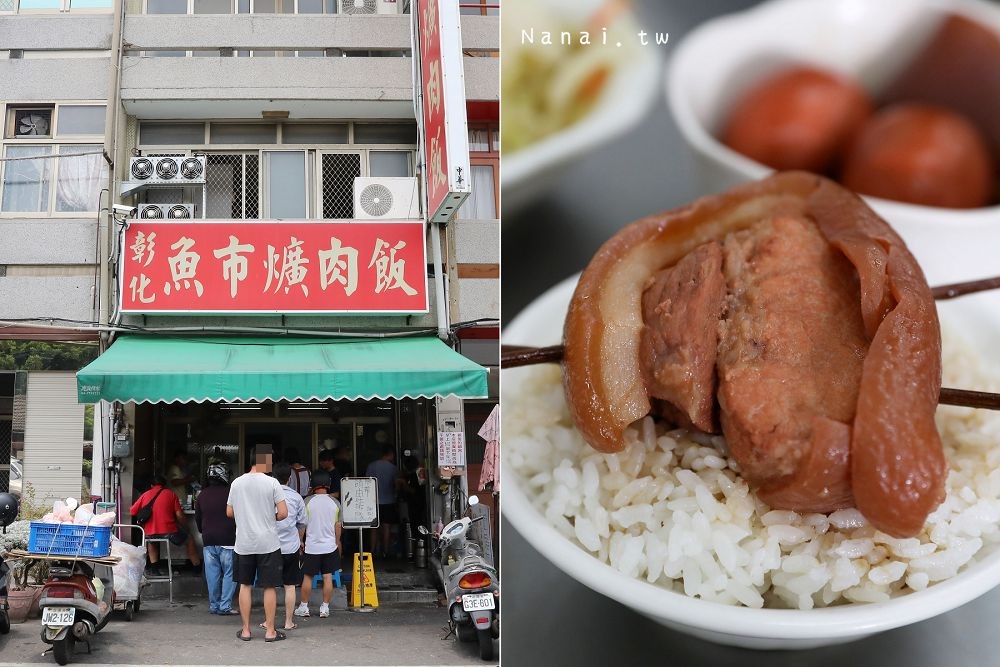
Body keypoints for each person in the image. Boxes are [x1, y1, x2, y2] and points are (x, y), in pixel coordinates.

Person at [226, 444, 289, 642]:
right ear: (264, 460)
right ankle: (270, 631)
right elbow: (284, 513)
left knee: (245, 586)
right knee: (269, 587)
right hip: (268, 543)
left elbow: (229, 512)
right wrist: (270, 517)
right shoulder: (272, 483)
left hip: (244, 543)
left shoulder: (237, 483)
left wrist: (245, 515)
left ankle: (245, 630)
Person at [294, 470, 342, 619]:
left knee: (307, 577)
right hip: (329, 546)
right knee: (327, 576)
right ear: (328, 484)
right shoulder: (335, 503)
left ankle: (304, 607)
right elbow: (338, 525)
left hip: (312, 547)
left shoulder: (307, 501)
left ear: (312, 484)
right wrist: (336, 541)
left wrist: (300, 540)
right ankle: (325, 608)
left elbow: (302, 525)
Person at [195, 463, 238, 615]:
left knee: (212, 574)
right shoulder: (231, 492)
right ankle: (225, 606)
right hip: (228, 539)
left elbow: (198, 519)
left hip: (208, 540)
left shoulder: (202, 495)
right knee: (229, 573)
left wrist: (203, 531)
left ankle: (214, 605)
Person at [270, 462, 307, 632]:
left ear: (272, 477)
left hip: (269, 547)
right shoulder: (296, 497)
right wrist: (300, 541)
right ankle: (288, 622)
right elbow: (302, 523)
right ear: (290, 478)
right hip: (291, 547)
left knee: (269, 587)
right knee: (289, 586)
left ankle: (267, 622)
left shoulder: (267, 495)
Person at [130, 473, 185, 576]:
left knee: (151, 540)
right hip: (169, 532)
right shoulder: (171, 494)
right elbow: (180, 516)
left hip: (150, 532)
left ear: (151, 485)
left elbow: (132, 511)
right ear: (164, 485)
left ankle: (154, 569)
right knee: (188, 538)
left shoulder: (145, 495)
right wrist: (186, 527)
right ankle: (191, 566)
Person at [167, 450, 202, 572]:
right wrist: (188, 479)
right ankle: (194, 564)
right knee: (186, 536)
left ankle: (190, 561)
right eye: (183, 458)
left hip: (179, 506)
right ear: (177, 459)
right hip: (176, 507)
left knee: (187, 536)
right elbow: (174, 481)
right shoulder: (174, 468)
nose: (185, 461)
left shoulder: (180, 469)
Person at [365, 446, 402, 559]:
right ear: (390, 454)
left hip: (373, 501)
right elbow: (396, 485)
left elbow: (367, 482)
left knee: (373, 528)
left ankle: (372, 551)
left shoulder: (371, 466)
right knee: (386, 527)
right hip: (388, 500)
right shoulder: (393, 468)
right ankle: (385, 551)